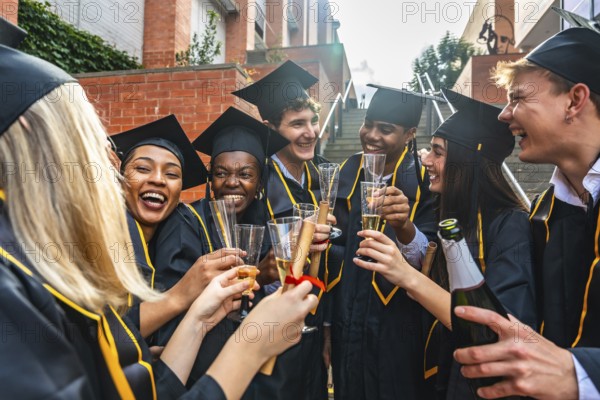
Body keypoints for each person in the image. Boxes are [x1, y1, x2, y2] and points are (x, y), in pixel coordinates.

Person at [0, 42, 318, 399]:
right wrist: (248, 347)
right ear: (33, 137)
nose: (108, 164)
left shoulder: (40, 248)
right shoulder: (24, 269)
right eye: (94, 144)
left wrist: (197, 319)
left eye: (171, 173)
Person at [354, 88, 536, 399]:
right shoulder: (453, 216)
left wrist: (406, 275)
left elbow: (499, 327)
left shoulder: (510, 224)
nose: (426, 160)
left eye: (438, 152)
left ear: (466, 162)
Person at [452, 27, 600, 399]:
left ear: (574, 100)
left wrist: (580, 373)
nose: (504, 115)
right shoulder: (546, 212)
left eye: (517, 99)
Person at [149, 106, 290, 389]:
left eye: (246, 174)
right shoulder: (186, 221)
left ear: (260, 181)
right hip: (200, 372)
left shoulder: (267, 221)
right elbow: (170, 302)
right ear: (210, 180)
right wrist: (257, 277)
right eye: (221, 173)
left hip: (255, 368)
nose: (232, 182)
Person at [327, 84, 438, 399]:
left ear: (409, 134)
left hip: (398, 326)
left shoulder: (424, 183)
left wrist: (405, 226)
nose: (371, 135)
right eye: (368, 124)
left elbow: (429, 262)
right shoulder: (347, 171)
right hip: (346, 317)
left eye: (385, 129)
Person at [233, 59, 331, 399]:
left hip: (311, 332)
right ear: (271, 128)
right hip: (266, 334)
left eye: (313, 120)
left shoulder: (321, 182)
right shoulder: (253, 187)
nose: (311, 132)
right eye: (297, 124)